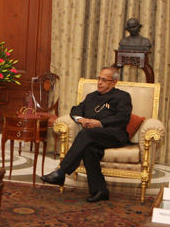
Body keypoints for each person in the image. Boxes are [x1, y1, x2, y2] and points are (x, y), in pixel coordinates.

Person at [40, 66, 132, 203]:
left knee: (85, 135)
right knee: (89, 149)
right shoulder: (91, 97)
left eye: (104, 80)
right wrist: (81, 119)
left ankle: (61, 172)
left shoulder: (122, 96)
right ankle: (100, 190)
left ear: (114, 82)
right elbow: (76, 109)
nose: (100, 82)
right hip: (94, 136)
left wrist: (99, 122)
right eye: (99, 79)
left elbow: (123, 118)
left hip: (115, 134)